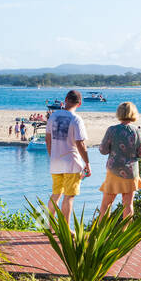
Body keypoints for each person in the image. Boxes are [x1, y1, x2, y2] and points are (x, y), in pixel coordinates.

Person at [45, 90, 90, 221]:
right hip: (71, 162)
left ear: (65, 99)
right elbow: (80, 143)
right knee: (69, 196)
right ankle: (64, 228)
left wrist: (52, 155)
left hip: (55, 162)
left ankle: (50, 225)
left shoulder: (53, 117)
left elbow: (48, 139)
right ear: (79, 104)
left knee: (56, 194)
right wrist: (87, 163)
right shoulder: (76, 119)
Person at [98, 102, 141, 219]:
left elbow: (103, 150)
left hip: (114, 170)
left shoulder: (112, 130)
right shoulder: (138, 132)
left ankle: (101, 232)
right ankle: (125, 233)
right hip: (131, 171)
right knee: (128, 204)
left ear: (119, 113)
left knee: (106, 204)